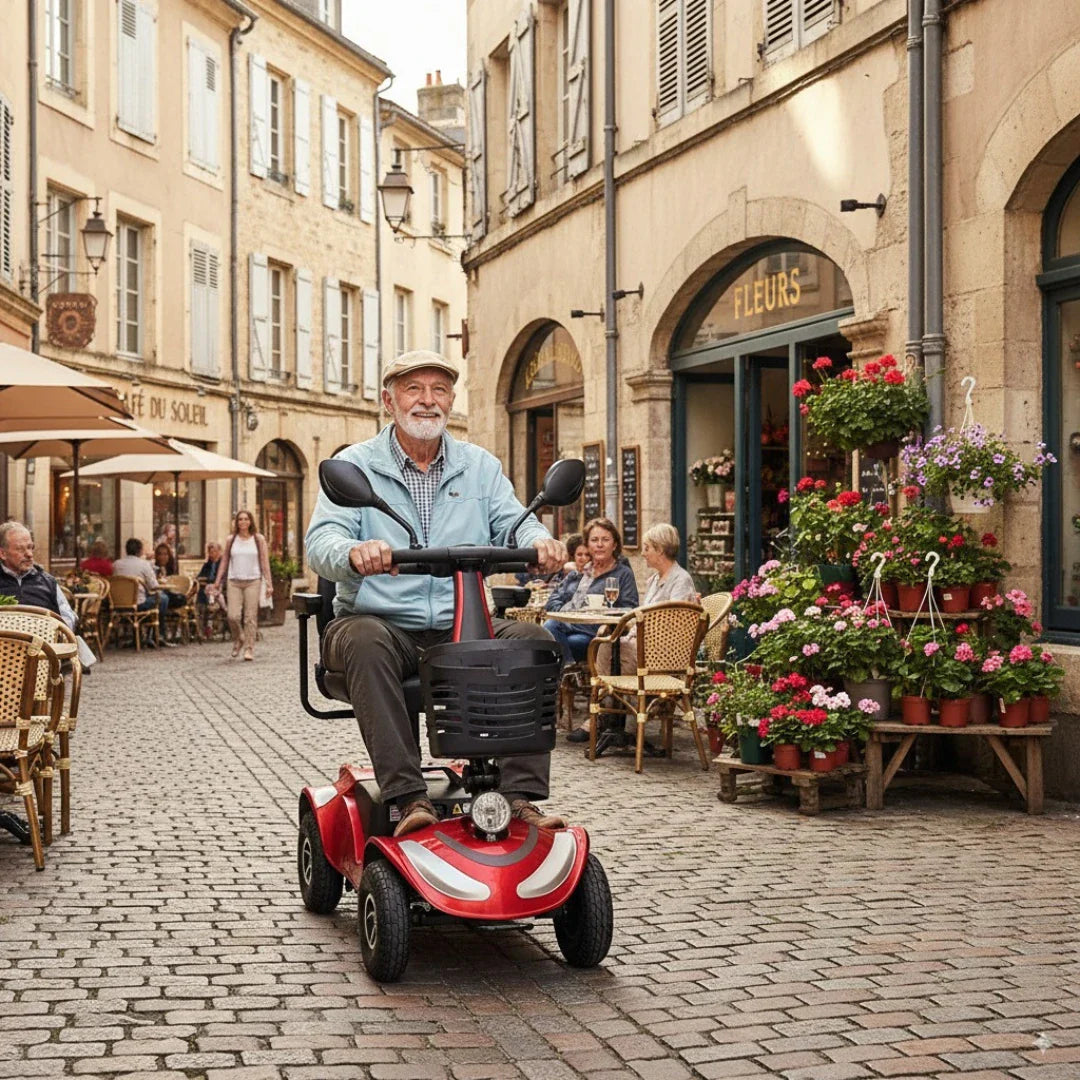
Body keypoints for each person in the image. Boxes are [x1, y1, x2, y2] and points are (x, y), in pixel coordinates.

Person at [306, 349, 568, 838]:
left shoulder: (479, 466)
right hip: (379, 623)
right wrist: (355, 550)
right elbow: (320, 544)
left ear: (451, 399)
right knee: (364, 639)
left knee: (538, 643)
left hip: (461, 625)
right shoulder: (354, 466)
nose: (427, 401)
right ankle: (407, 797)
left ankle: (518, 795)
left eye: (439, 390)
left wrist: (540, 542)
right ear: (389, 401)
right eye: (413, 389)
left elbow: (516, 523)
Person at [542, 517, 639, 667]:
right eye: (594, 540)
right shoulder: (582, 571)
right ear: (587, 544)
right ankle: (568, 673)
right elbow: (551, 602)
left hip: (600, 634)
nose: (599, 545)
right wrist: (567, 615)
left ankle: (567, 676)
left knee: (550, 632)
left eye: (605, 539)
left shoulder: (622, 573)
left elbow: (630, 610)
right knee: (545, 635)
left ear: (614, 545)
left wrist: (603, 614)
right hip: (568, 628)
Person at [211, 510, 272, 661]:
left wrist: (269, 583)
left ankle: (249, 648)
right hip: (234, 581)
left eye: (246, 519)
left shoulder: (258, 539)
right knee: (232, 616)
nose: (243, 522)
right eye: (240, 520)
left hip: (253, 580)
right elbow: (224, 561)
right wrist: (217, 581)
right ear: (236, 523)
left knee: (250, 617)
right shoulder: (231, 540)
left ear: (250, 521)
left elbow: (265, 562)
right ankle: (239, 638)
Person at [0, 520, 77, 628]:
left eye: (30, 547)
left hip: (44, 642)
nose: (29, 554)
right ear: (3, 554)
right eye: (20, 549)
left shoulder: (48, 582)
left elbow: (68, 617)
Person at [113, 538, 174, 646]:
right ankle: (157, 634)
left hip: (117, 604)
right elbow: (154, 586)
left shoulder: (116, 564)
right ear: (140, 551)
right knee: (163, 598)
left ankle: (141, 634)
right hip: (138, 604)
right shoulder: (144, 564)